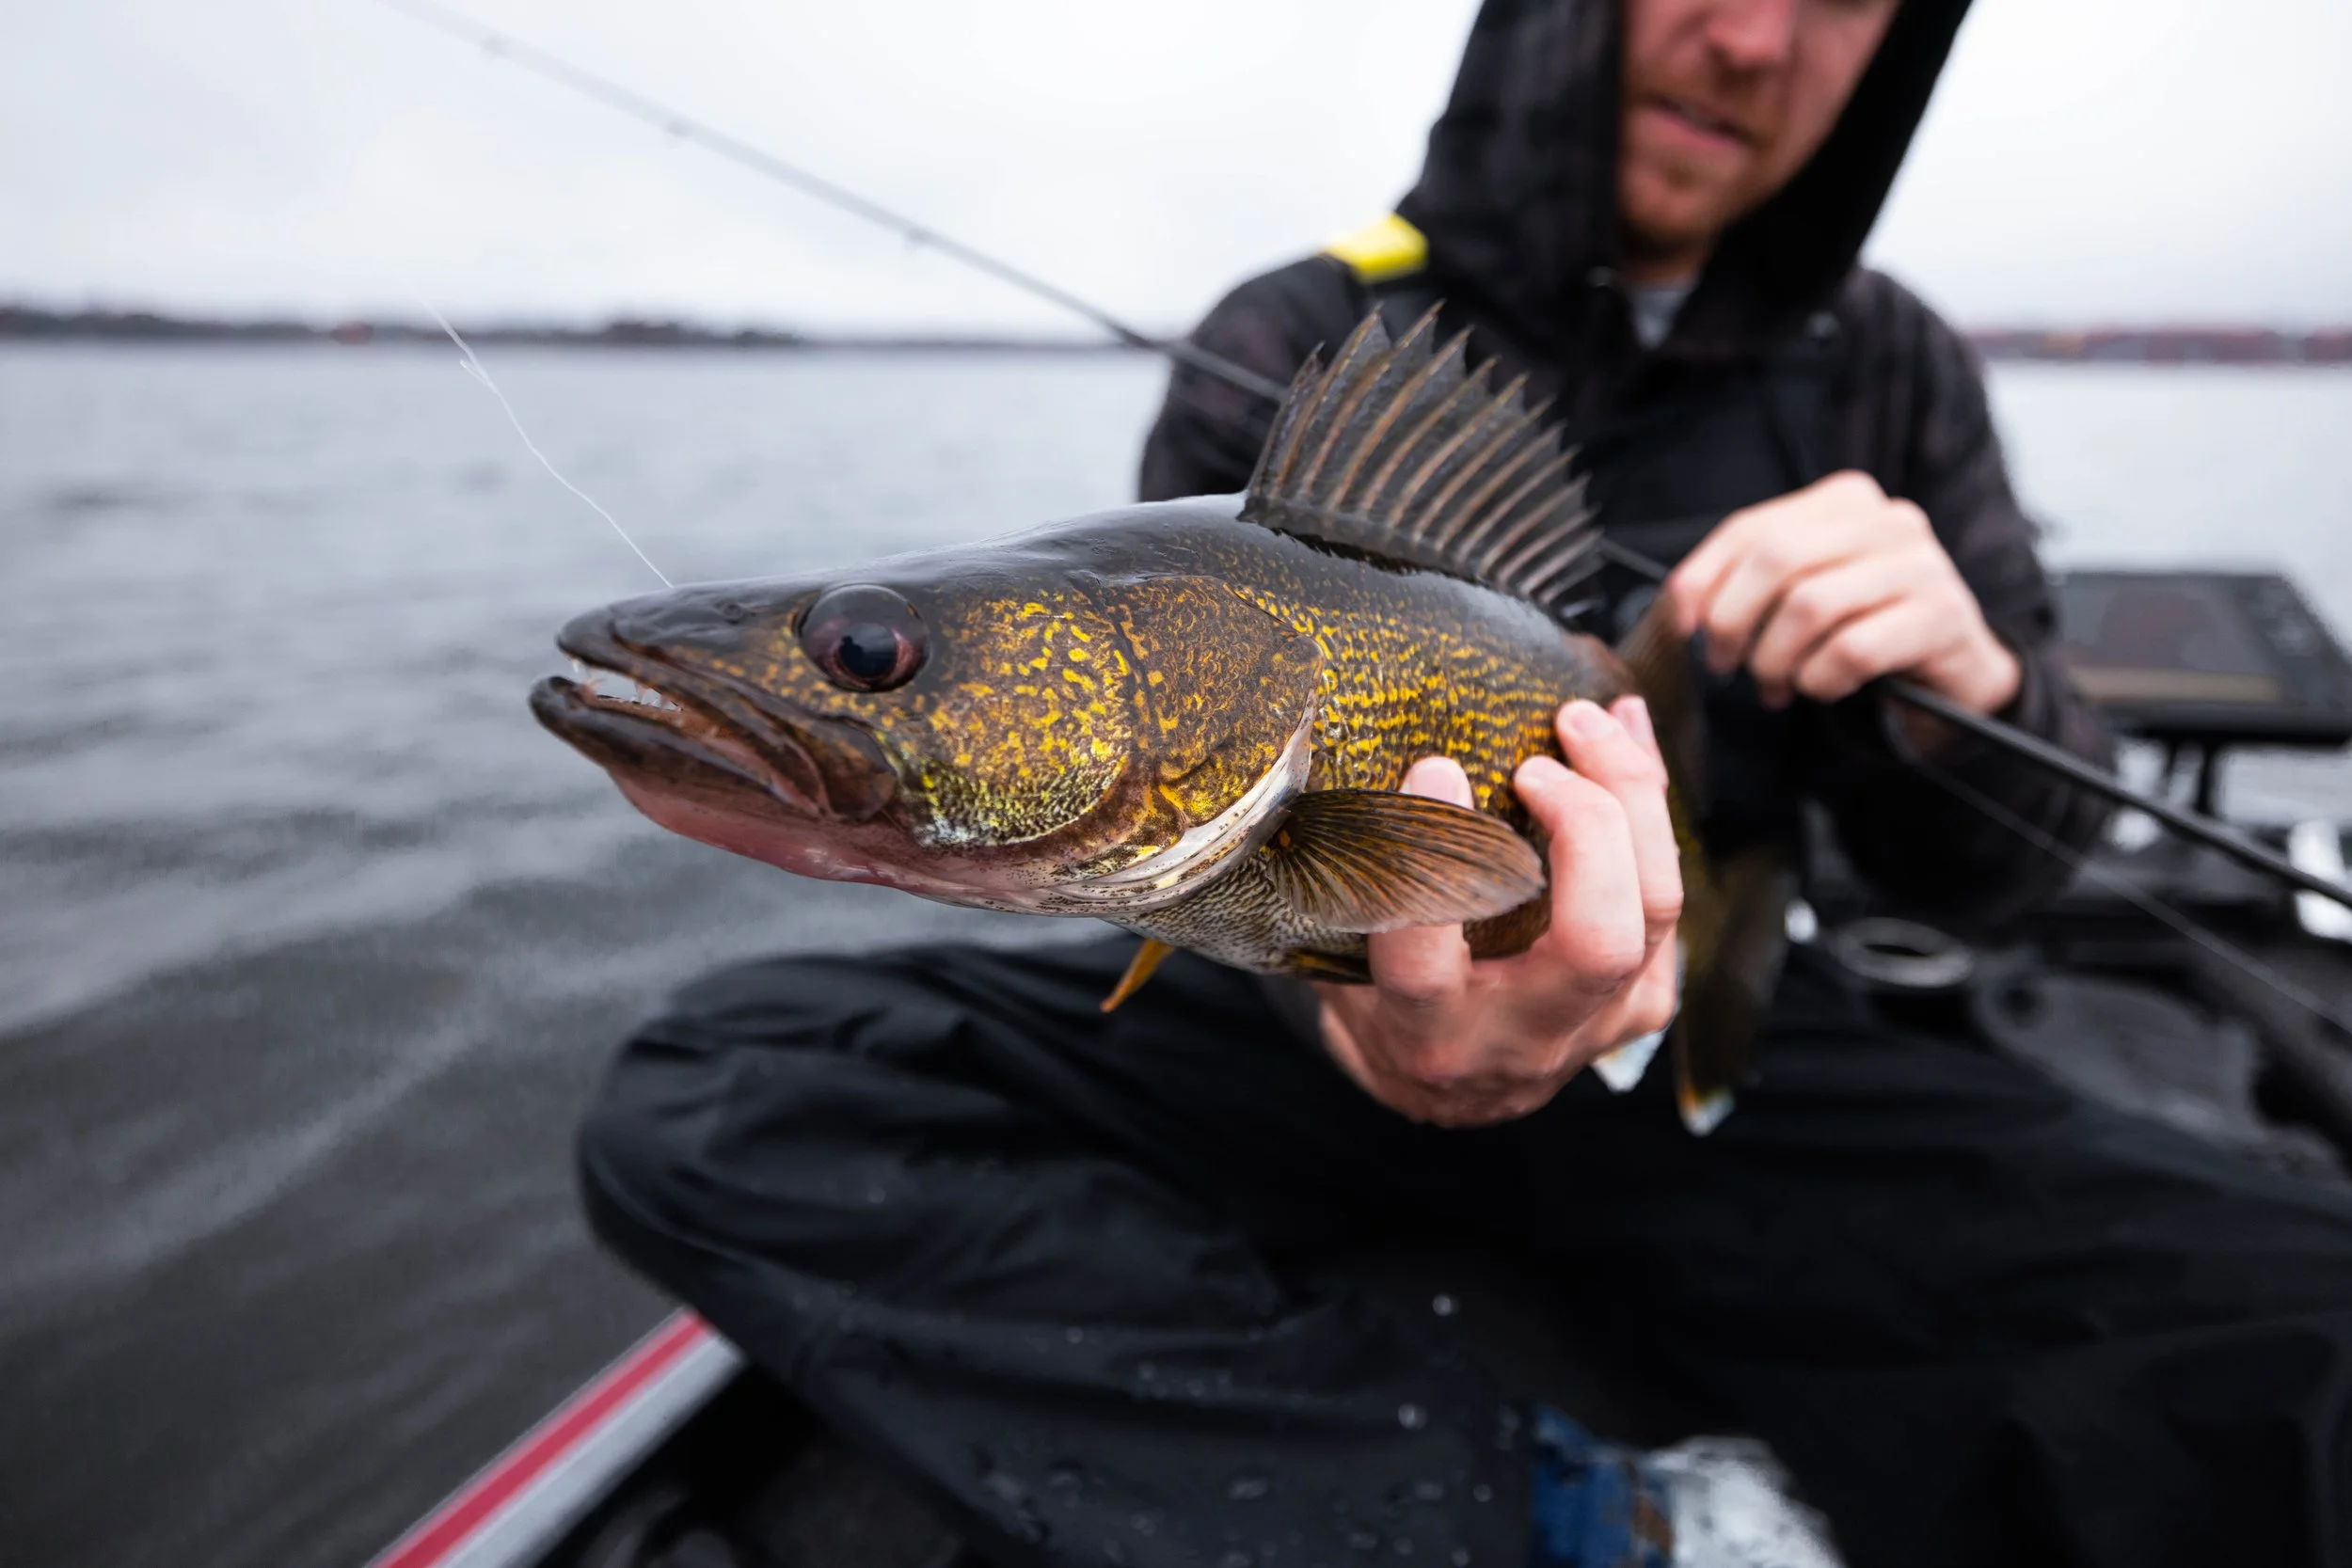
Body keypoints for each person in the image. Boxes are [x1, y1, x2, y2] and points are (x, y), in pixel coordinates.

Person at [577, 1, 2352, 1563]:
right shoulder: (1293, 331)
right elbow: (1233, 882)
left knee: (2307, 1308)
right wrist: (1359, 1025)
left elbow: (1999, 888)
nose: (1752, 36)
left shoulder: (1896, 370)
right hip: (1287, 1027)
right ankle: (1560, 1520)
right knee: (708, 1097)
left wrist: (1970, 698)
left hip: (1735, 1055)